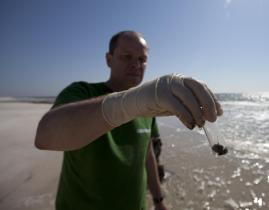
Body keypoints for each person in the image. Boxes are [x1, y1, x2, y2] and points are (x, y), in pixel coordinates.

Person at [34, 31, 223, 210]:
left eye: (142, 59)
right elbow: (45, 136)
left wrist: (158, 200)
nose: (136, 64)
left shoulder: (149, 106)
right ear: (109, 59)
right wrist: (128, 103)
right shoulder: (82, 92)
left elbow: (147, 154)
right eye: (127, 56)